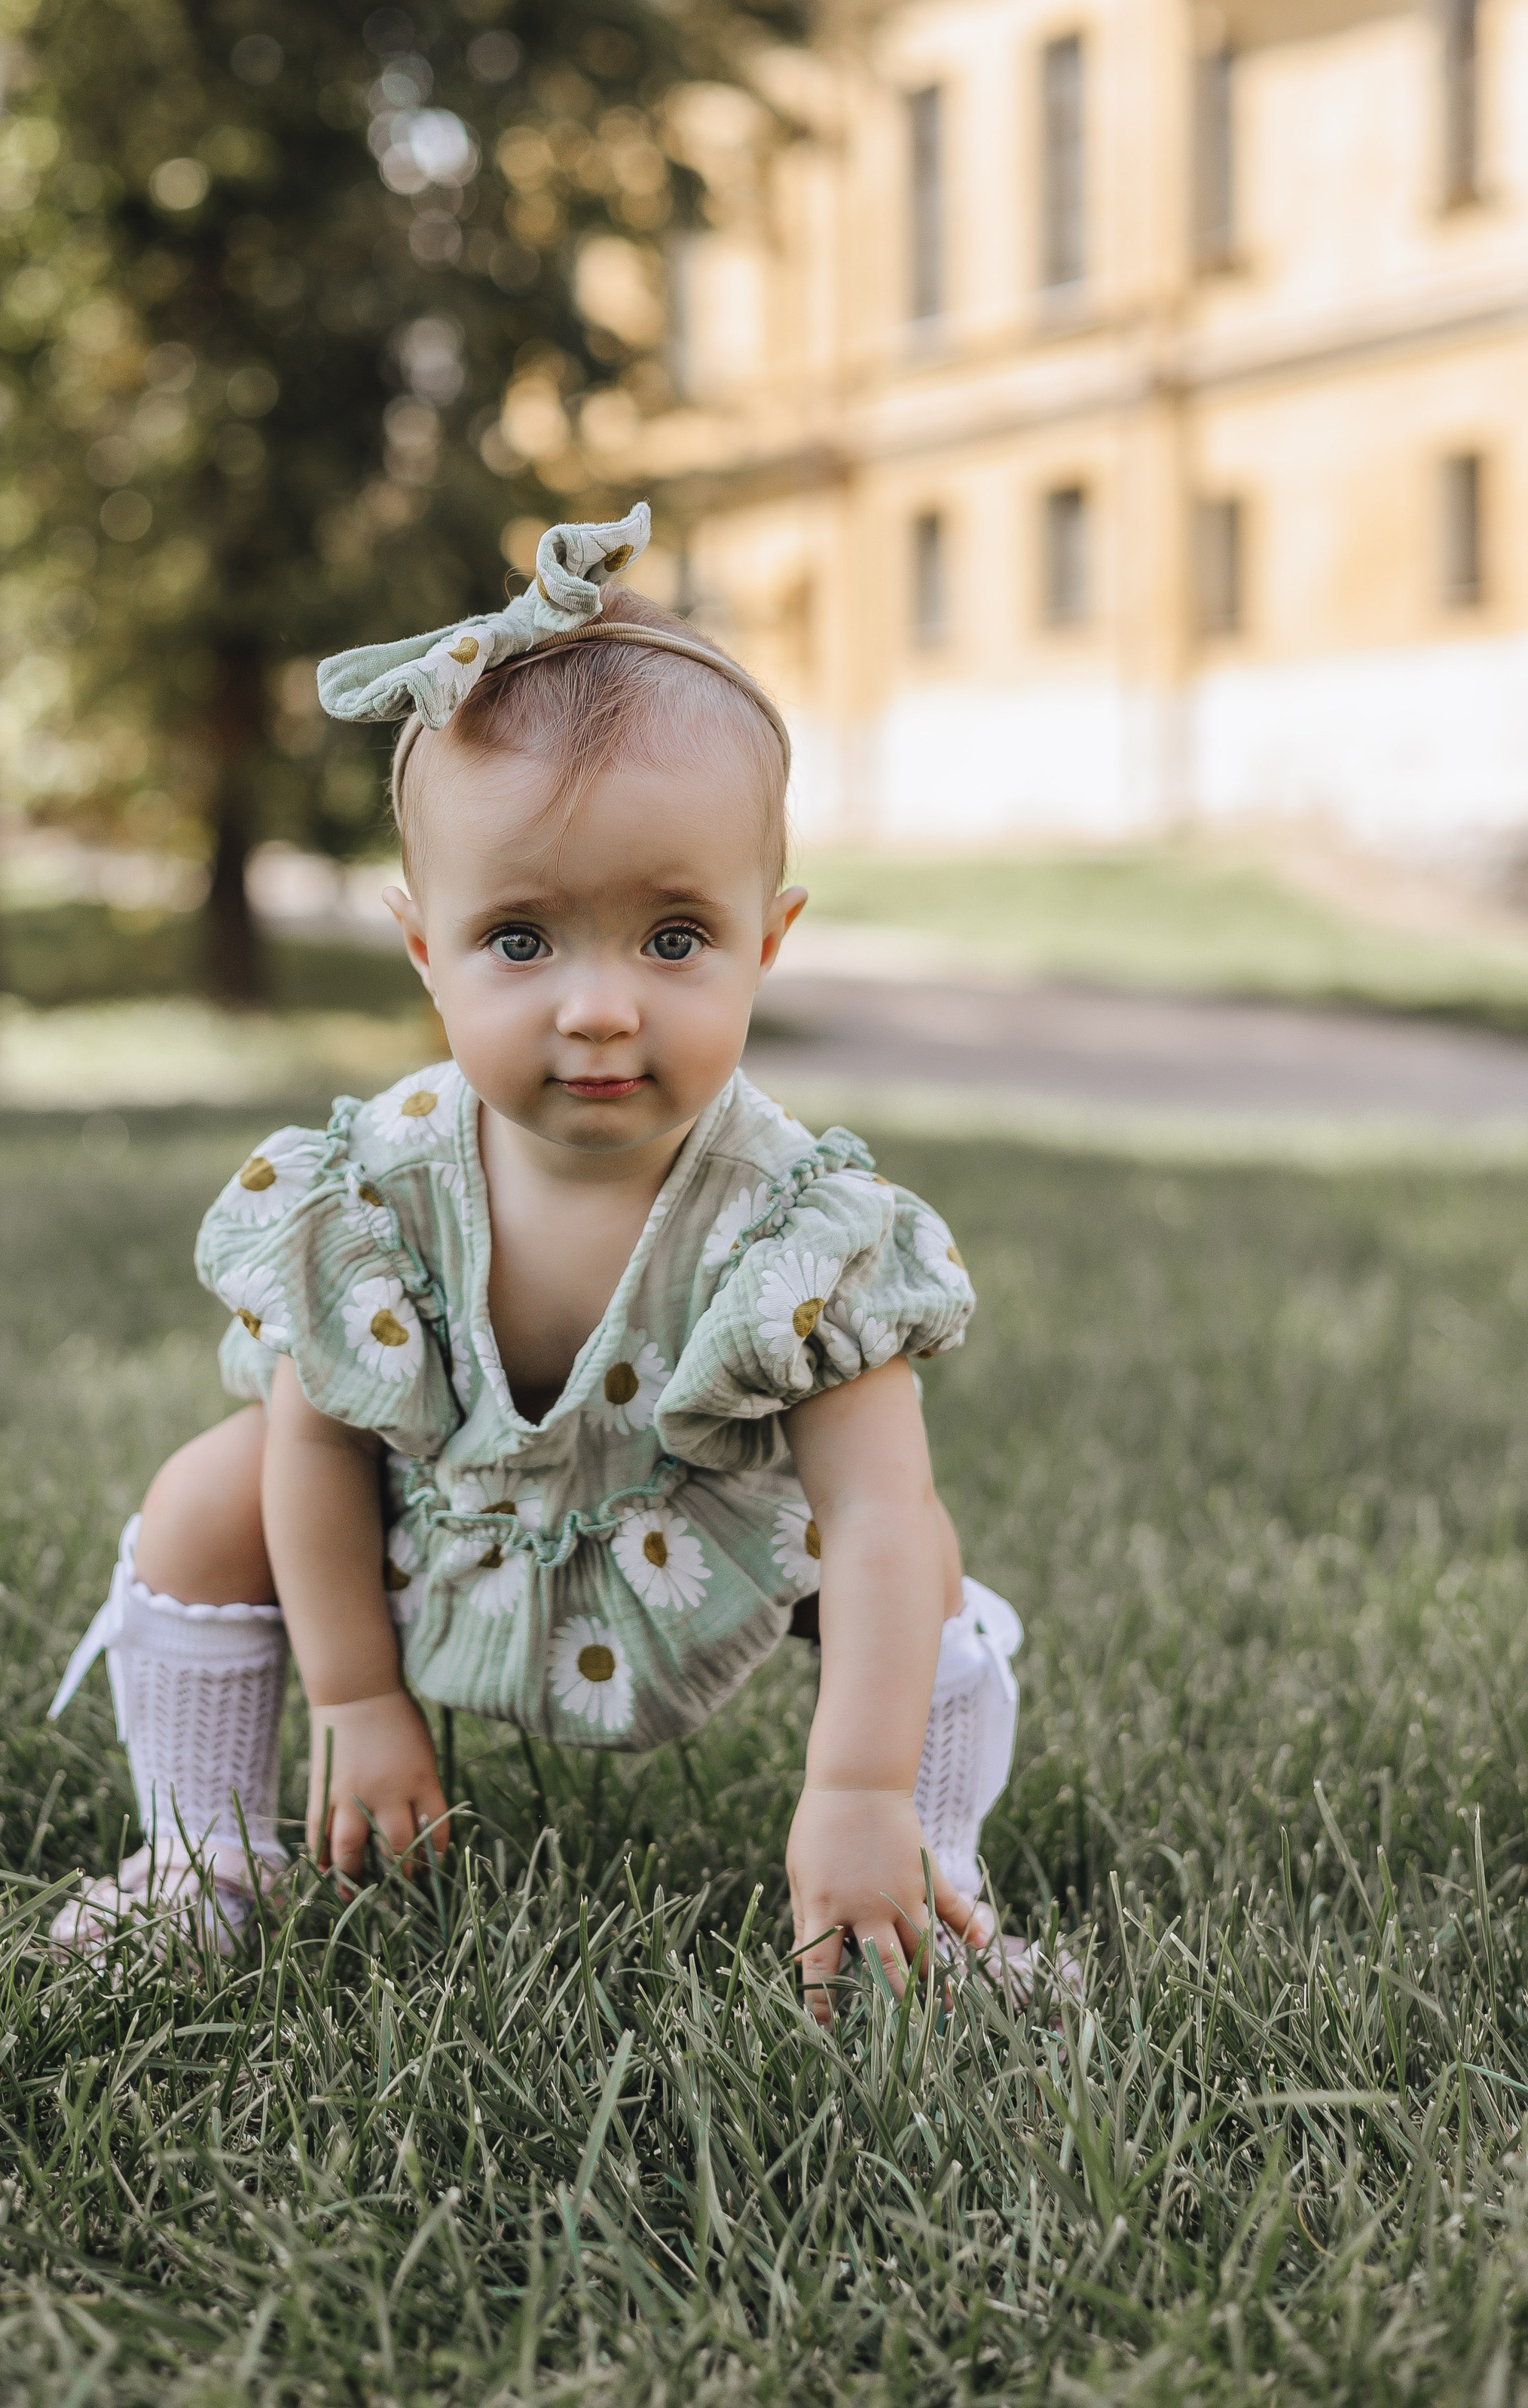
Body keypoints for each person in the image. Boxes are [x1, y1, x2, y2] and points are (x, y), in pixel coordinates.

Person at [50, 503, 1028, 2008]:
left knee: (924, 1570)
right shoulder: (374, 1190)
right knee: (205, 1493)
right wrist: (355, 1695)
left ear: (767, 942)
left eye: (673, 938)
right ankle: (207, 1860)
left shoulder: (796, 1225)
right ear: (423, 949)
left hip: (711, 1542)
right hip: (421, 1524)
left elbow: (879, 1512)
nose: (598, 1008)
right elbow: (316, 1443)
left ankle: (915, 1894)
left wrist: (854, 1789)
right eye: (520, 940)